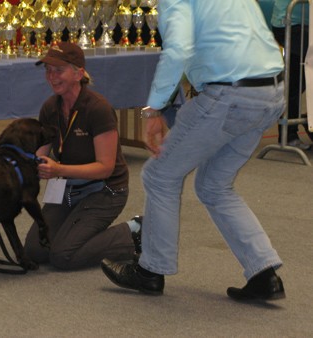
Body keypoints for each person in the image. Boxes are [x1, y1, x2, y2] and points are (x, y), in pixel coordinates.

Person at [101, 0, 287, 302]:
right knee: (214, 185)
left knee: (160, 175)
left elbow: (178, 50)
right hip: (270, 92)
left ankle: (150, 271)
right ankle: (264, 273)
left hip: (230, 94)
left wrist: (154, 109)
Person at [23, 42, 141, 270]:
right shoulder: (50, 108)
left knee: (64, 256)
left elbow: (105, 168)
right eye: (48, 70)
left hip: (105, 190)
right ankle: (76, 231)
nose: (51, 76)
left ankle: (135, 231)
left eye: (59, 70)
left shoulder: (98, 109)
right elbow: (38, 156)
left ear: (78, 73)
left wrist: (58, 170)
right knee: (36, 250)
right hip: (67, 188)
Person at [271, 0, 312, 149]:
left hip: (305, 24)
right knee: (296, 81)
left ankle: (300, 124)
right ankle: (289, 134)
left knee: (300, 80)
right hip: (291, 24)